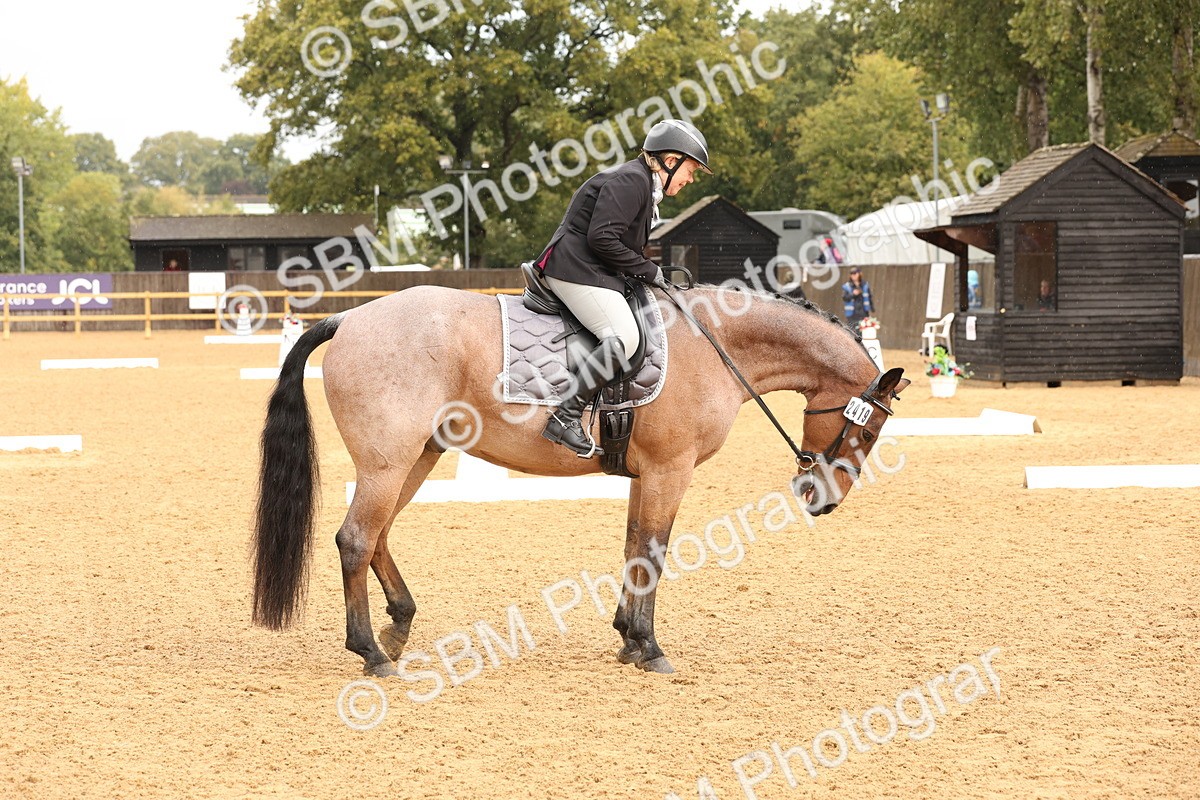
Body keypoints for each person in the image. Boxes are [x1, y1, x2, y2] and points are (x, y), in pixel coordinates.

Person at [533, 119, 711, 457]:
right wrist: (648, 270)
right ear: (671, 161)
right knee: (624, 336)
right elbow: (602, 238)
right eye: (691, 169)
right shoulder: (632, 181)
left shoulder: (642, 183)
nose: (691, 178)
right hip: (574, 270)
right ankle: (566, 416)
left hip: (590, 270)